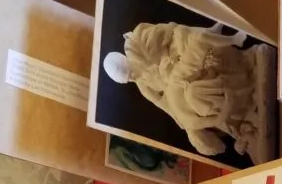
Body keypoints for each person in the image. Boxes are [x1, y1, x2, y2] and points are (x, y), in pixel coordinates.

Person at [102, 20, 263, 161]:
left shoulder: (140, 40)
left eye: (130, 73)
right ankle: (239, 124)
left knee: (193, 66)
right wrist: (185, 121)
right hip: (178, 87)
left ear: (126, 60)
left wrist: (177, 58)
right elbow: (165, 105)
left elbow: (174, 32)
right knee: (191, 109)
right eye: (129, 79)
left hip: (181, 59)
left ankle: (230, 54)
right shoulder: (142, 85)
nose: (133, 77)